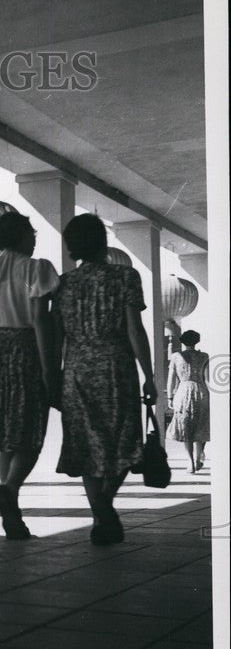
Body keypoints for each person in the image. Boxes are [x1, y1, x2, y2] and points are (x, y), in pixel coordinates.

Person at [52, 213, 157, 546]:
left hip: (78, 371)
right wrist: (149, 375)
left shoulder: (64, 284)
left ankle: (99, 515)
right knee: (124, 443)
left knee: (88, 447)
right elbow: (134, 329)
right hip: (116, 367)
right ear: (103, 241)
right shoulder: (126, 276)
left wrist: (54, 376)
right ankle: (103, 504)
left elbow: (57, 335)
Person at [0, 211, 60, 539]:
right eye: (31, 233)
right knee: (30, 433)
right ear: (20, 236)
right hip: (26, 351)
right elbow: (40, 321)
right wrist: (50, 371)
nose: (35, 238)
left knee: (7, 437)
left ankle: (11, 508)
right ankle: (11, 489)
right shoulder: (36, 268)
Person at [166, 329, 210, 472]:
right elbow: (207, 378)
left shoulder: (176, 356)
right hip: (201, 391)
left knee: (186, 427)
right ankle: (198, 458)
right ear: (197, 341)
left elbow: (171, 379)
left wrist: (170, 397)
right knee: (201, 425)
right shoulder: (204, 356)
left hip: (183, 391)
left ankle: (190, 461)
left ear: (182, 341)